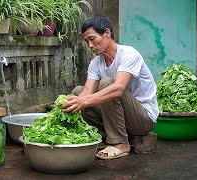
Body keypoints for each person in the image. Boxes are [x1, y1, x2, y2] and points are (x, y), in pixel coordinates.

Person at [61, 15, 159, 160]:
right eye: (87, 41)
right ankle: (103, 136)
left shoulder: (129, 54)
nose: (90, 46)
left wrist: (85, 101)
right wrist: (71, 104)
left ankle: (120, 143)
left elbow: (118, 88)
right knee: (78, 92)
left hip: (142, 119)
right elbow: (87, 92)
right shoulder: (96, 63)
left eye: (92, 39)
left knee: (107, 83)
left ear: (107, 33)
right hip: (121, 118)